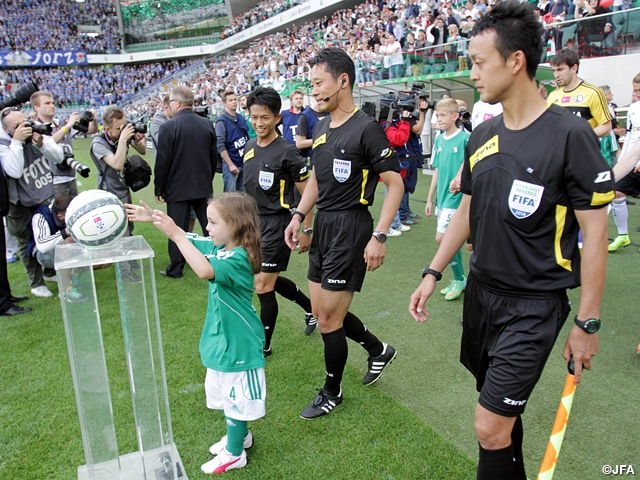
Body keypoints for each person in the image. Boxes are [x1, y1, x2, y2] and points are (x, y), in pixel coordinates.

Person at [409, 3, 613, 479]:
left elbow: (597, 234)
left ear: (515, 61)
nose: (472, 73)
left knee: (487, 426)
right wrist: (432, 271)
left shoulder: (570, 135)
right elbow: (466, 209)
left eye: (479, 62)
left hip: (533, 305)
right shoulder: (483, 133)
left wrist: (587, 322)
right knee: (501, 421)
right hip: (482, 296)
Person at [284, 48, 404, 419]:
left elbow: (395, 184)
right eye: (311, 83)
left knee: (328, 321)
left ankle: (332, 391)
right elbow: (318, 177)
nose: (313, 90)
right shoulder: (320, 128)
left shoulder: (366, 128)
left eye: (318, 83)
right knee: (322, 312)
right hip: (324, 225)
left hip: (352, 226)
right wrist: (300, 216)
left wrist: (379, 236)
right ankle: (378, 349)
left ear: (343, 81)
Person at [125, 192, 265, 475]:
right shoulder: (222, 247)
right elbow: (193, 241)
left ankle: (235, 453)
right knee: (228, 393)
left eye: (213, 223)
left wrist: (177, 238)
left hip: (240, 344)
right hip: (223, 340)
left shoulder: (239, 257)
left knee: (236, 397)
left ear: (235, 224)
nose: (208, 228)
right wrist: (158, 221)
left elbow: (203, 269)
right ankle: (242, 437)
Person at [243, 87, 317, 354]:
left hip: (277, 225)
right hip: (253, 225)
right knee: (264, 280)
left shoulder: (287, 152)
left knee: (263, 284)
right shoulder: (250, 147)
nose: (259, 123)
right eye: (254, 117)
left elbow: (308, 192)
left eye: (264, 117)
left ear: (277, 118)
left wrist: (306, 227)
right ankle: (311, 309)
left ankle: (263, 346)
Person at [0, 106, 64, 298]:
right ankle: (36, 283)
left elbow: (59, 157)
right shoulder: (4, 143)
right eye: (16, 126)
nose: (23, 127)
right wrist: (17, 142)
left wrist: (42, 144)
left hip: (41, 195)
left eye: (24, 121)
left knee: (50, 233)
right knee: (25, 239)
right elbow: (14, 171)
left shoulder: (36, 131)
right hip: (18, 202)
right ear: (7, 129)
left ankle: (50, 272)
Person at [155, 86, 217, 279]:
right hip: (202, 185)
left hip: (177, 188)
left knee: (175, 228)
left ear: (178, 103)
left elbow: (163, 161)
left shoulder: (168, 126)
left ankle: (176, 268)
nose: (168, 105)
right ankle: (217, 260)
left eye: (170, 102)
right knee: (211, 226)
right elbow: (213, 157)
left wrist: (160, 187)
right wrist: (207, 178)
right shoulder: (207, 124)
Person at [425, 98, 470, 301]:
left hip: (457, 199)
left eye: (443, 115)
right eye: (437, 115)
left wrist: (460, 179)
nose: (439, 119)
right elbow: (437, 170)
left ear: (455, 116)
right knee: (449, 240)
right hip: (442, 199)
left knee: (441, 239)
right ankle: (460, 278)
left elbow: (471, 166)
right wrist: (429, 198)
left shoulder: (465, 139)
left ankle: (460, 278)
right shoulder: (439, 140)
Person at [30, 91, 98, 197]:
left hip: (70, 175)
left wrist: (93, 120)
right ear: (36, 107)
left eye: (53, 103)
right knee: (58, 212)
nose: (52, 106)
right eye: (47, 103)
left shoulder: (60, 123)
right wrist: (68, 126)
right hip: (52, 180)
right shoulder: (36, 127)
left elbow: (91, 130)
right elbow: (47, 144)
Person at [28, 193, 89, 303]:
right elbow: (42, 246)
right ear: (61, 217)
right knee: (65, 247)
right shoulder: (41, 216)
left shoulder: (77, 211)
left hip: (68, 247)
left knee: (103, 258)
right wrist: (64, 233)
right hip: (45, 255)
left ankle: (75, 273)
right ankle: (66, 291)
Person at [606, 74, 640, 252]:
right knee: (616, 191)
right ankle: (623, 235)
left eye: (639, 90)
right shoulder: (633, 109)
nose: (637, 94)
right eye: (635, 90)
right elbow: (631, 137)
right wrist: (622, 159)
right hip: (631, 161)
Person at [547, 48, 612, 138]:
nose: (556, 75)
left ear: (574, 68)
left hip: (583, 150)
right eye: (554, 70)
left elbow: (606, 127)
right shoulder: (553, 96)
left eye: (560, 69)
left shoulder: (593, 92)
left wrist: (580, 138)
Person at [216, 90, 250, 192]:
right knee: (230, 194)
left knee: (243, 192)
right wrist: (230, 164)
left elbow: (246, 138)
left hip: (243, 161)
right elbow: (220, 145)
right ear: (224, 103)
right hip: (231, 162)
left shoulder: (240, 118)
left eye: (235, 99)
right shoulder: (221, 122)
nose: (234, 102)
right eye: (230, 100)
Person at [295, 97, 329, 165]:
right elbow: (299, 143)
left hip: (328, 158)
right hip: (313, 160)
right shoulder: (305, 116)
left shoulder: (329, 112)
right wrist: (321, 140)